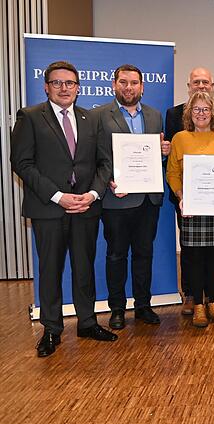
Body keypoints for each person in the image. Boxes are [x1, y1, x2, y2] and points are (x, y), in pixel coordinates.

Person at [10, 61, 117, 357]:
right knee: (50, 270)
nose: (64, 88)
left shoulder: (90, 119)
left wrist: (93, 194)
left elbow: (104, 162)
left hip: (85, 207)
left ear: (78, 88)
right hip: (49, 208)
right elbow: (22, 163)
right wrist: (58, 196)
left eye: (69, 83)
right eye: (57, 83)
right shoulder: (30, 117)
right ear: (46, 87)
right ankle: (52, 330)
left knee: (84, 268)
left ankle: (87, 322)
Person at [93, 64, 171, 330]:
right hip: (117, 198)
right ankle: (117, 309)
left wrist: (163, 151)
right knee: (116, 255)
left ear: (142, 86)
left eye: (134, 83)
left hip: (147, 199)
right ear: (114, 85)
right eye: (123, 82)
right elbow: (95, 157)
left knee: (144, 254)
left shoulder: (153, 115)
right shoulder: (101, 116)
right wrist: (108, 182)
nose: (129, 88)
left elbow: (153, 157)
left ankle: (143, 306)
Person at [166, 91, 214, 328]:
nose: (201, 114)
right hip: (192, 206)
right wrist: (180, 197)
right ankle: (198, 303)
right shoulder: (179, 138)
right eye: (196, 109)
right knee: (194, 257)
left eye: (206, 109)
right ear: (189, 113)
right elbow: (172, 173)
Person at [165, 67, 214, 315]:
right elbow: (171, 164)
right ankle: (192, 295)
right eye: (196, 81)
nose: (201, 85)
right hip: (187, 200)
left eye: (205, 81)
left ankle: (212, 297)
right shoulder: (174, 115)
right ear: (189, 85)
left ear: (212, 85)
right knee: (190, 250)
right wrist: (181, 196)